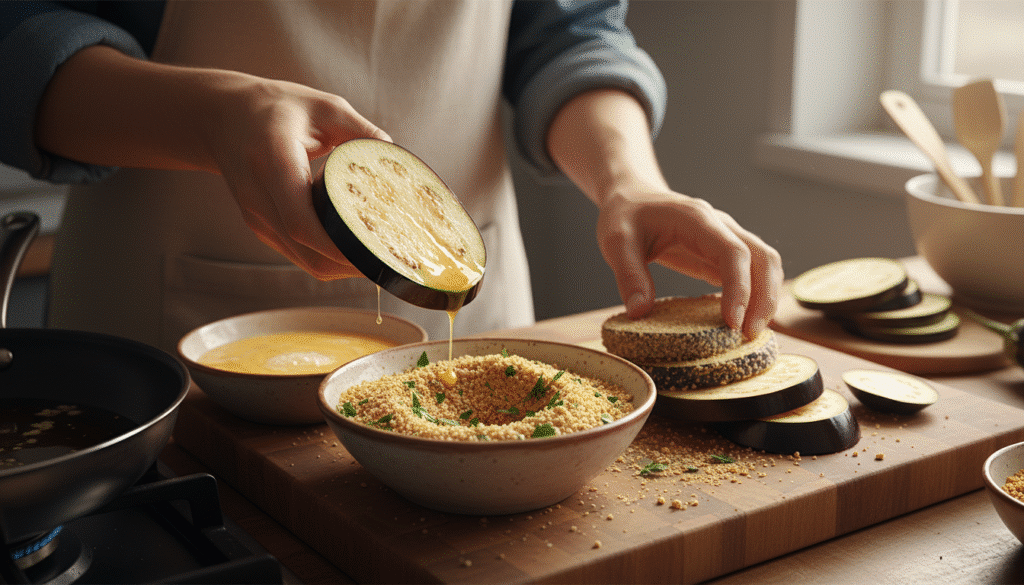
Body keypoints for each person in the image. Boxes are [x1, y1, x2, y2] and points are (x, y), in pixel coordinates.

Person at [0, 0, 782, 353]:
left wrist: (629, 181)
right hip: (171, 342)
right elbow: (20, 40)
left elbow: (570, 31)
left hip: (474, 318)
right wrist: (214, 117)